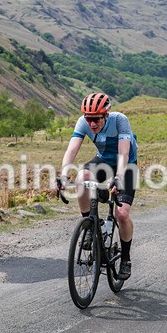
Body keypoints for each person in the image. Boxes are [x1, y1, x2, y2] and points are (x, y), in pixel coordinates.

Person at [57, 93, 138, 280]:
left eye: (96, 119)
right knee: (82, 176)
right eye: (89, 119)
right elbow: (72, 149)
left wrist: (118, 177)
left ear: (106, 115)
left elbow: (123, 153)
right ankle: (90, 226)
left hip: (126, 165)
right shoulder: (83, 122)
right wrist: (63, 175)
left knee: (122, 214)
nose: (92, 124)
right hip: (102, 161)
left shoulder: (120, 121)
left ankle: (125, 258)